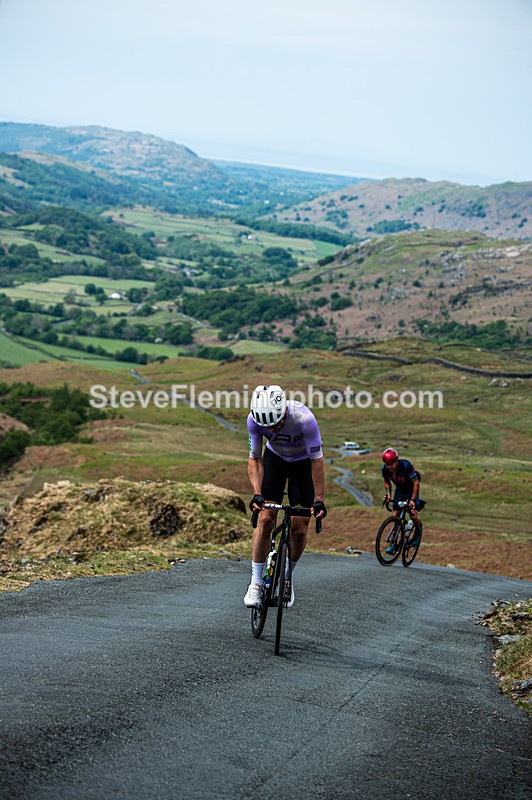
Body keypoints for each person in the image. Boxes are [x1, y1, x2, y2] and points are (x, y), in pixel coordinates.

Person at [244, 384, 327, 608]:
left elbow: (316, 462)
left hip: (302, 465)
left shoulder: (304, 419)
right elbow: (255, 459)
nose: (272, 429)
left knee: (299, 529)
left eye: (277, 423)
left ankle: (287, 577)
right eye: (267, 426)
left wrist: (319, 498)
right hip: (275, 460)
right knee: (265, 519)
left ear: (284, 413)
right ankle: (256, 583)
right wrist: (257, 494)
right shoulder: (254, 420)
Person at [381, 447, 423, 551]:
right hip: (400, 491)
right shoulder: (385, 469)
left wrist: (413, 500)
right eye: (387, 465)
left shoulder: (405, 466)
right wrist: (388, 494)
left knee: (413, 515)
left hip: (411, 490)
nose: (390, 467)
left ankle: (418, 529)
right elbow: (386, 482)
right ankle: (394, 543)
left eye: (391, 464)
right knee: (396, 516)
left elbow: (416, 483)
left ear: (396, 460)